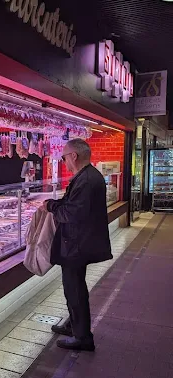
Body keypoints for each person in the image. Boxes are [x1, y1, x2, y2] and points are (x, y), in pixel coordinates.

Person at [42, 138, 112, 352]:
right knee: (73, 288)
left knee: (75, 290)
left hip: (77, 244)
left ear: (74, 156)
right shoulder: (88, 176)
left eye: (64, 157)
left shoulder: (86, 180)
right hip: (79, 242)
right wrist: (56, 204)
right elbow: (74, 206)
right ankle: (75, 326)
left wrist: (50, 206)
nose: (63, 161)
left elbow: (72, 213)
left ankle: (82, 337)